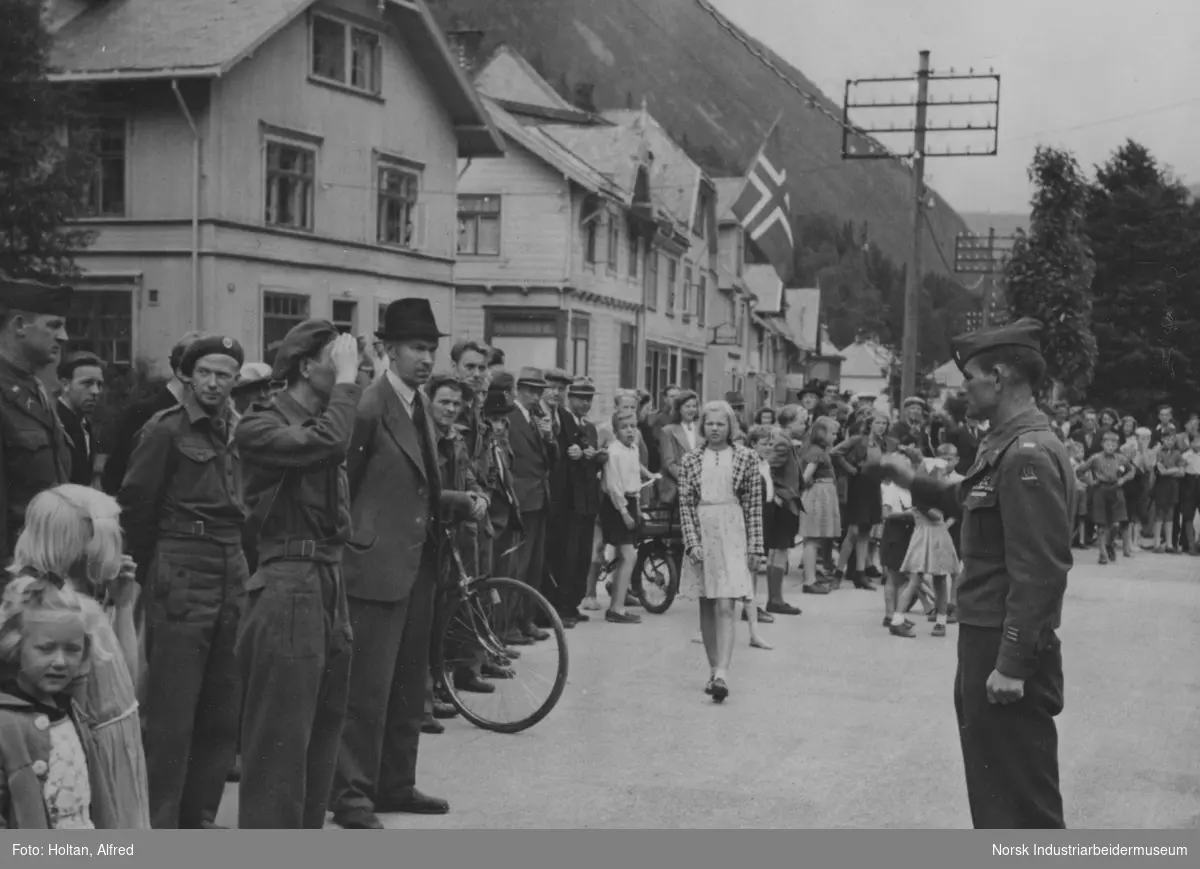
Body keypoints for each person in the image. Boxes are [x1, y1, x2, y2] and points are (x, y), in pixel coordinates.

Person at [875, 318, 1071, 830]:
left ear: (1000, 376)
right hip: (984, 633)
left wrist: (1011, 661)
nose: (964, 389)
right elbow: (966, 498)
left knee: (1021, 805)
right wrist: (911, 478)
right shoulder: (1003, 445)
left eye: (971, 378)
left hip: (1003, 643)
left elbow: (1040, 571)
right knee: (995, 799)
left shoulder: (1027, 454)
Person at [330, 299, 479, 829]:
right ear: (389, 350)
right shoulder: (371, 406)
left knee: (406, 683)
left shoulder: (416, 404)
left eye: (431, 349)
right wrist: (354, 547)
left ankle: (395, 784)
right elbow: (340, 483)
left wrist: (455, 503)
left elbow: (420, 483)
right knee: (366, 689)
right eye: (416, 348)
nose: (425, 358)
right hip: (373, 568)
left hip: (417, 564)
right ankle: (350, 796)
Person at [233, 324, 360, 829]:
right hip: (287, 582)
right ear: (307, 366)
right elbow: (325, 445)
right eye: (340, 360)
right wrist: (349, 383)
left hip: (326, 579)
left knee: (323, 736)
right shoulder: (260, 424)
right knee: (280, 743)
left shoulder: (329, 419)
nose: (352, 371)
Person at [118, 334, 247, 829]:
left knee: (221, 706)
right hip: (180, 566)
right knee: (172, 710)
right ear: (190, 377)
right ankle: (159, 825)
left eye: (224, 374)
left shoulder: (240, 430)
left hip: (230, 567)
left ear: (236, 380)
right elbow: (136, 505)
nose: (214, 382)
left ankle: (199, 817)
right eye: (206, 373)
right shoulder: (165, 429)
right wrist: (144, 576)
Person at [8, 484, 148, 829]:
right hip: (95, 747)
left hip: (109, 738)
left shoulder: (75, 602)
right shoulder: (70, 610)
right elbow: (114, 690)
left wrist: (122, 603)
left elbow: (124, 687)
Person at [677, 401, 765, 703]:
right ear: (703, 426)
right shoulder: (690, 460)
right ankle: (713, 668)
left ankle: (723, 673)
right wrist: (692, 542)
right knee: (706, 603)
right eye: (710, 423)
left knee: (726, 603)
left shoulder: (746, 457)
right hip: (703, 532)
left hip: (733, 531)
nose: (715, 429)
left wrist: (756, 546)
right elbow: (686, 506)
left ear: (730, 426)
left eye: (721, 424)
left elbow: (754, 506)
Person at [0, 575, 96, 828]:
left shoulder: (71, 712)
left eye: (72, 649)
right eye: (46, 648)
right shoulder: (5, 724)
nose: (61, 662)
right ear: (16, 646)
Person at [0, 275, 74, 558]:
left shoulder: (37, 391)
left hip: (45, 563)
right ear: (19, 325)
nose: (64, 337)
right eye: (54, 326)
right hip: (14, 573)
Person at [101, 330, 209, 496]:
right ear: (181, 371)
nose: (212, 379)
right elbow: (116, 477)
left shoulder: (204, 414)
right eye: (204, 370)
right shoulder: (143, 413)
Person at [498, 367, 556, 639]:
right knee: (518, 565)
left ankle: (526, 619)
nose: (536, 396)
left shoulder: (536, 418)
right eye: (531, 391)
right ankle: (509, 624)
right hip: (522, 498)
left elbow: (549, 459)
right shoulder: (510, 416)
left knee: (535, 563)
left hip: (539, 497)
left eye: (539, 391)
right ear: (518, 390)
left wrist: (549, 439)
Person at [557, 378, 604, 625]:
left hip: (588, 500)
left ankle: (573, 603)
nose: (585, 403)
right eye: (580, 398)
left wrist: (594, 456)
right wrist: (573, 454)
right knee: (568, 554)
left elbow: (594, 457)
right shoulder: (562, 423)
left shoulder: (591, 428)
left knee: (583, 555)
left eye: (589, 399)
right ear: (570, 398)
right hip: (570, 501)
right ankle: (562, 607)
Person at [896, 459, 959, 638]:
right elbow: (936, 515)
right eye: (940, 472)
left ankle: (941, 621)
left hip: (938, 535)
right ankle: (898, 618)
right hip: (926, 535)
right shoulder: (923, 493)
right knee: (915, 578)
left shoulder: (937, 492)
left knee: (940, 579)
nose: (943, 476)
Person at [759, 426, 802, 617]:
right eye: (801, 419)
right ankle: (775, 598)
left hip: (781, 500)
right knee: (780, 549)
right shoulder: (782, 442)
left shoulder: (783, 440)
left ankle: (775, 597)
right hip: (783, 501)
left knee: (778, 551)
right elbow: (770, 465)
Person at [797, 417, 841, 595]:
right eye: (833, 433)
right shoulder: (816, 451)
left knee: (814, 539)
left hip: (821, 493)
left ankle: (812, 577)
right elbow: (806, 476)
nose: (835, 437)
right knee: (812, 538)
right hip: (818, 494)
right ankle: (809, 580)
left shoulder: (820, 450)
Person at [1078, 429, 1135, 564]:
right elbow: (1080, 471)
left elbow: (1132, 470)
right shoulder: (1095, 458)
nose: (1110, 446)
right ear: (1102, 444)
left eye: (1113, 444)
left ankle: (1110, 544)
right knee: (1101, 524)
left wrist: (1124, 479)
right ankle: (1102, 553)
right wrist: (1090, 482)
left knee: (1116, 524)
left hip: (1116, 490)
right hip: (1100, 490)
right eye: (1107, 443)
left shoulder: (1121, 458)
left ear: (1117, 446)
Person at [55, 352, 105, 488]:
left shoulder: (85, 425)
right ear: (65, 385)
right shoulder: (53, 422)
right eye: (87, 383)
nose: (96, 391)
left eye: (99, 384)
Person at [657, 389, 700, 506]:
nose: (691, 410)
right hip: (680, 489)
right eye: (687, 406)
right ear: (679, 409)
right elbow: (669, 463)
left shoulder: (702, 429)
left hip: (702, 489)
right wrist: (688, 481)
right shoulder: (668, 431)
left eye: (694, 406)